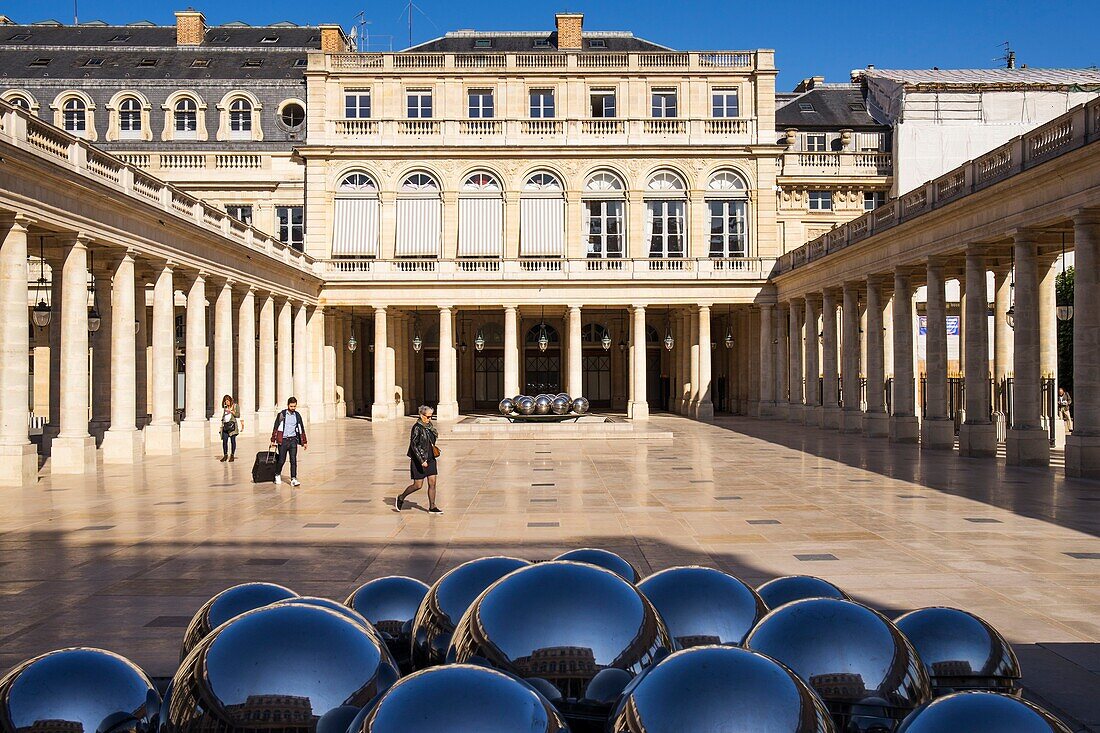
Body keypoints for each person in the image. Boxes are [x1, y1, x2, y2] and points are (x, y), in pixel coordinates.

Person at [397, 405, 442, 514]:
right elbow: (414, 445)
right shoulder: (417, 427)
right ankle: (401, 497)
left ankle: (432, 506)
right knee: (418, 485)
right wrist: (422, 460)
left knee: (432, 483)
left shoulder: (429, 427)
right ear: (421, 415)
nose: (430, 419)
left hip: (430, 458)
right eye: (428, 417)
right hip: (419, 460)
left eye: (431, 416)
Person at [271, 397, 308, 486]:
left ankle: (293, 478)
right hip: (283, 441)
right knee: (281, 460)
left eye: (294, 406)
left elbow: (301, 428)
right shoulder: (282, 414)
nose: (293, 408)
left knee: (293, 460)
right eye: (291, 406)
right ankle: (277, 474)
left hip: (293, 440)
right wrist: (273, 440)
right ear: (288, 405)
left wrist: (304, 441)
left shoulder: (297, 415)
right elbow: (276, 427)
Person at [219, 394, 241, 462]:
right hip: (225, 426)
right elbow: (224, 417)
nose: (226, 402)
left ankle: (232, 455)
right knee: (224, 441)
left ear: (230, 400)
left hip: (232, 426)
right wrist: (221, 427)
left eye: (227, 401)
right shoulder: (225, 407)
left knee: (232, 441)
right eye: (225, 401)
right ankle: (225, 455)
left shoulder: (235, 406)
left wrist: (231, 411)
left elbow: (238, 415)